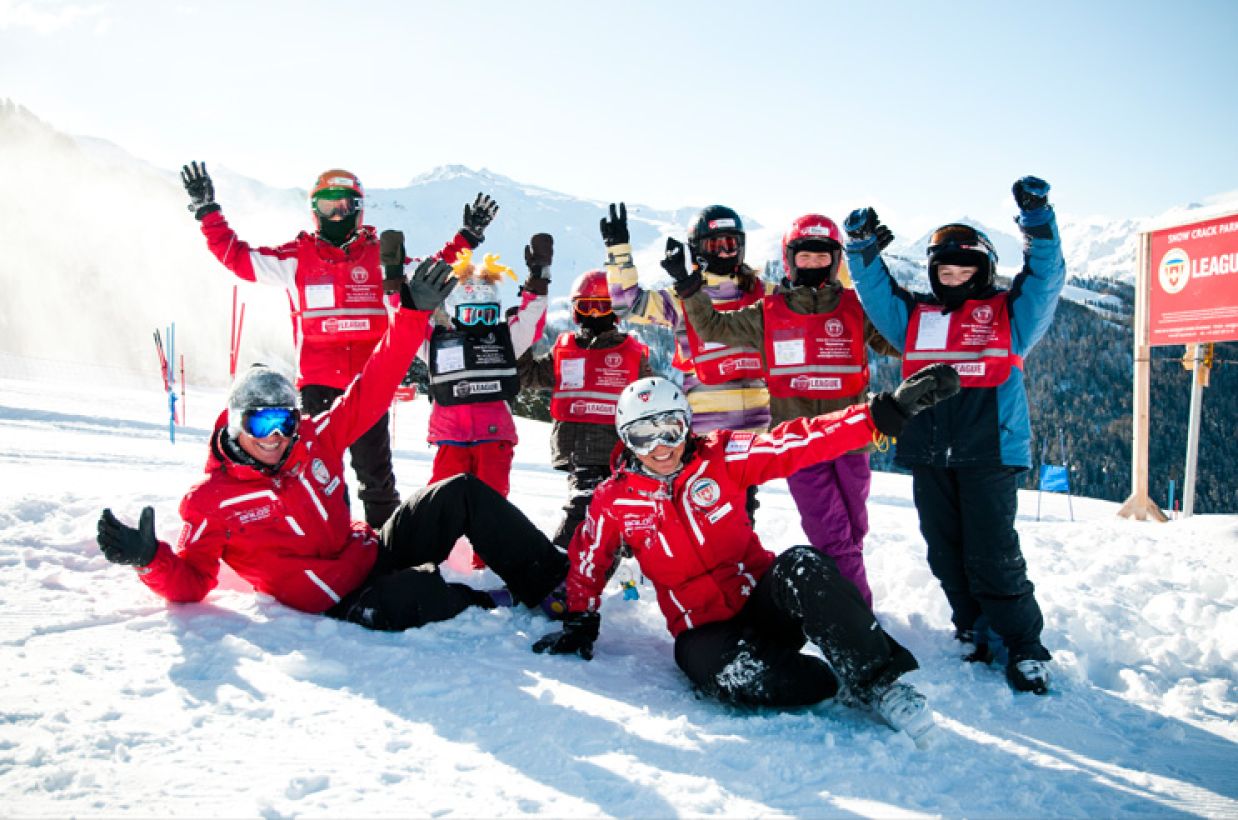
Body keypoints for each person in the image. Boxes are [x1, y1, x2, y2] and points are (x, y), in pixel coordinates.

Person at [96, 260, 567, 631]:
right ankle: (485, 602)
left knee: (458, 490)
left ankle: (555, 586)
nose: (276, 436)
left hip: (371, 552)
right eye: (262, 425)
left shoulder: (314, 440)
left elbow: (374, 386)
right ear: (238, 425)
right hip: (341, 600)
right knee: (411, 598)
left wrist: (412, 315)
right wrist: (150, 560)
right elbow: (193, 582)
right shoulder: (212, 501)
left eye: (284, 421)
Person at [533, 368, 961, 741]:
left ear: (687, 425)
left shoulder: (720, 455)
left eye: (671, 429)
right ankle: (827, 680)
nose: (661, 446)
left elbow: (794, 443)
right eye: (645, 435)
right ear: (627, 440)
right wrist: (580, 618)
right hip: (704, 632)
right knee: (729, 677)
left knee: (802, 565)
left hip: (763, 604)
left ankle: (878, 683)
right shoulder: (614, 500)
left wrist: (876, 417)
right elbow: (590, 558)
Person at [179, 161, 496, 529]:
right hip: (317, 384)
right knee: (319, 474)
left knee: (375, 474)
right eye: (328, 205)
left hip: (369, 383)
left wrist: (467, 238)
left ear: (358, 210)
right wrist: (207, 212)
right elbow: (239, 258)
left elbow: (431, 270)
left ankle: (387, 549)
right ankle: (330, 543)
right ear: (314, 211)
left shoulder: (380, 258)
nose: (336, 213)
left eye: (345, 205)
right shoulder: (297, 257)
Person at [842, 176, 1066, 695]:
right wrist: (861, 249)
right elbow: (876, 294)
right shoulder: (917, 318)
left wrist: (1038, 220)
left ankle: (1025, 645)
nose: (956, 276)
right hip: (929, 450)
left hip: (989, 449)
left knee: (993, 552)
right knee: (944, 551)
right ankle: (972, 624)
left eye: (967, 268)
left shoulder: (1011, 315)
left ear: (985, 269)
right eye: (946, 268)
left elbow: (1046, 278)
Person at [668, 214, 899, 606]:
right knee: (832, 535)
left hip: (853, 441)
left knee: (854, 530)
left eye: (821, 257)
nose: (812, 264)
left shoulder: (854, 308)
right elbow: (711, 329)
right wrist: (689, 286)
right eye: (804, 257)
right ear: (790, 260)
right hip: (799, 445)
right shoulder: (768, 312)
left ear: (835, 260)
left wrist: (874, 273)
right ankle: (856, 616)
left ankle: (838, 597)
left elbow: (898, 341)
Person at [601, 203, 770, 519]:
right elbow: (627, 305)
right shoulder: (681, 299)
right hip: (706, 433)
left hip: (754, 434)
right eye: (714, 245)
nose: (723, 252)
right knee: (704, 512)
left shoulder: (764, 294)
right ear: (698, 250)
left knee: (742, 516)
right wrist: (619, 251)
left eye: (730, 244)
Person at [517, 268, 652, 550]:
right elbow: (528, 376)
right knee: (587, 508)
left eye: (601, 306)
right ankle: (574, 564)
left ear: (614, 310)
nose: (593, 314)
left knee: (596, 510)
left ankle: (574, 564)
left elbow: (651, 401)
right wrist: (519, 337)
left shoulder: (631, 354)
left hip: (618, 450)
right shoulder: (565, 349)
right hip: (577, 447)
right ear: (575, 310)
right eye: (586, 306)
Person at [420, 236, 550, 501]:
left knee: (491, 500)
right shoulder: (437, 346)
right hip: (451, 435)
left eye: (487, 314)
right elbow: (405, 329)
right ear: (456, 313)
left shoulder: (504, 342)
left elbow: (529, 322)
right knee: (443, 499)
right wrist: (395, 287)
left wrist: (538, 279)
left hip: (493, 436)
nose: (480, 323)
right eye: (471, 315)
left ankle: (490, 540)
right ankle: (442, 540)